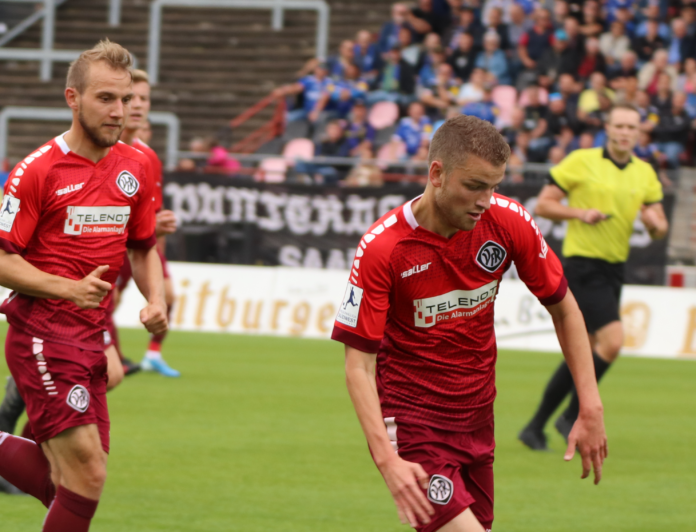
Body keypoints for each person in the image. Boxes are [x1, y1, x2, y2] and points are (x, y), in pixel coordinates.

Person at [333, 115, 607, 532]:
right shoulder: (383, 248)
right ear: (437, 174)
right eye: (475, 186)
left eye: (494, 186)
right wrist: (387, 459)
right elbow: (358, 365)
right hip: (414, 426)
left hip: (478, 421)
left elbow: (565, 309)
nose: (485, 199)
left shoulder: (507, 222)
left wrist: (590, 405)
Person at [0, 40, 167, 530]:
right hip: (42, 334)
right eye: (105, 99)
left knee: (67, 485)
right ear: (72, 98)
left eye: (124, 99)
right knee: (88, 475)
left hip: (92, 336)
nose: (119, 111)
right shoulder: (38, 171)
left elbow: (141, 247)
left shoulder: (133, 167)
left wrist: (154, 298)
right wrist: (67, 288)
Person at [519, 103, 669, 450]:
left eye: (631, 127)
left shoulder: (644, 173)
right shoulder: (581, 161)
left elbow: (659, 225)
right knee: (614, 340)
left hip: (615, 268)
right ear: (608, 127)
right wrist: (579, 212)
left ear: (639, 131)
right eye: (619, 125)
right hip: (582, 264)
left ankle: (535, 427)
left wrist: (654, 224)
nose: (625, 132)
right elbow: (543, 204)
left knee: (581, 351)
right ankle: (573, 414)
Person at [115, 68, 180, 377]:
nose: (138, 105)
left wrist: (158, 233)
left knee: (167, 296)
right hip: (97, 252)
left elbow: (149, 217)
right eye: (131, 98)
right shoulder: (93, 149)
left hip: (137, 247)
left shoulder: (148, 158)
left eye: (145, 98)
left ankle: (152, 353)